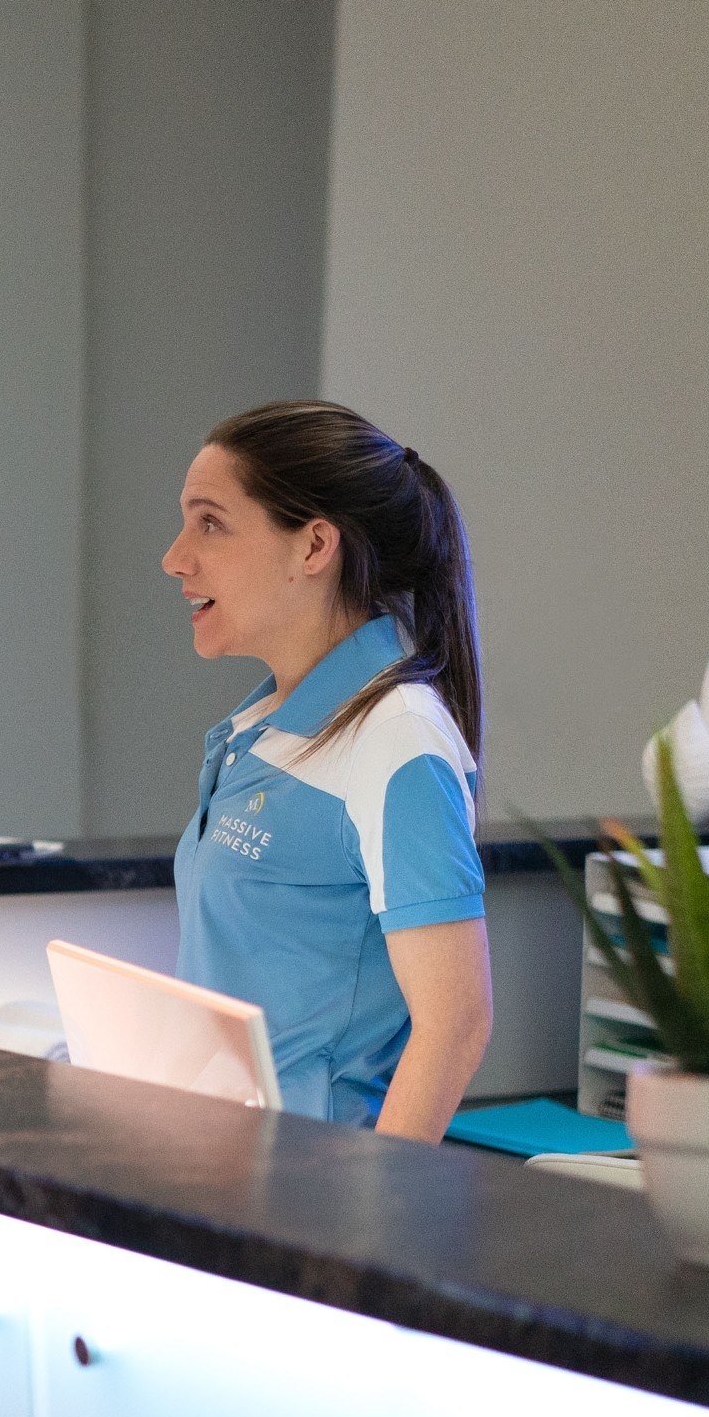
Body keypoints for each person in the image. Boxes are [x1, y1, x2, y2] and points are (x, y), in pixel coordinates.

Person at [159, 399, 493, 1138]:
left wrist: (357, 1231)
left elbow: (457, 1025)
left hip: (312, 1195)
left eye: (210, 522)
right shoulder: (262, 727)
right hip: (219, 1174)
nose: (176, 557)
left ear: (313, 547)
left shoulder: (397, 739)